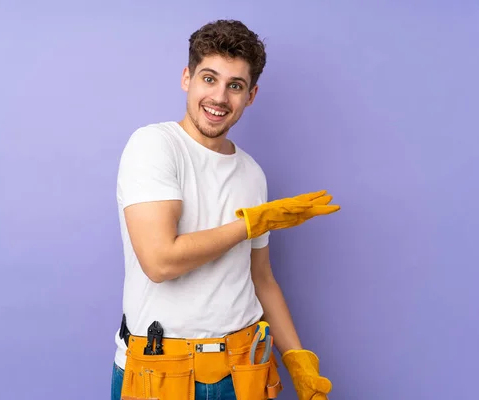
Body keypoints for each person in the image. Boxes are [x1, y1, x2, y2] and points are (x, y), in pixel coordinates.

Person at [111, 19, 340, 400]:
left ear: (250, 96)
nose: (219, 98)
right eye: (209, 78)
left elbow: (262, 280)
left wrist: (297, 360)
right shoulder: (155, 145)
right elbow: (159, 262)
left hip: (246, 368)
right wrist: (252, 223)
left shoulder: (251, 173)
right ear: (187, 78)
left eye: (235, 86)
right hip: (163, 372)